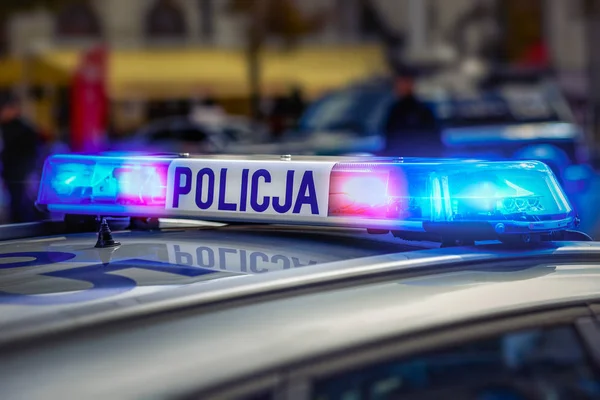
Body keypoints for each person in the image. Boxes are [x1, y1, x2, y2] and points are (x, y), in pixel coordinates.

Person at [0, 92, 42, 223]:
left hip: (20, 171)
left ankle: (23, 223)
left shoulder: (21, 128)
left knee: (21, 201)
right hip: (13, 171)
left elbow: (31, 151)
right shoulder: (10, 127)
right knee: (17, 201)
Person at [382, 67, 441, 157]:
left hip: (419, 159)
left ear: (410, 84)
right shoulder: (394, 110)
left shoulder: (422, 110)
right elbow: (389, 139)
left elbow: (433, 140)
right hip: (400, 160)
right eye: (398, 83)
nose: (400, 87)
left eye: (403, 83)